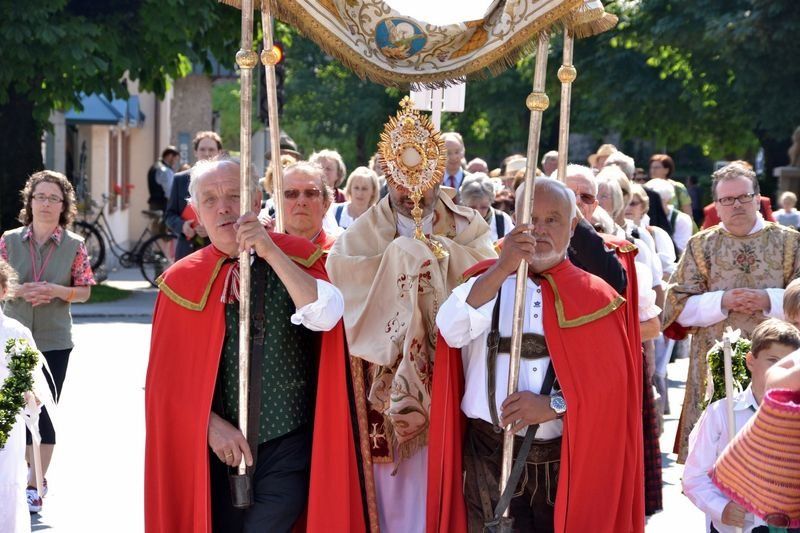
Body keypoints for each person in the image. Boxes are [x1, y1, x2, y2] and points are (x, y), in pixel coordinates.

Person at [144, 157, 357, 533]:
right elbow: (164, 385)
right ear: (197, 212)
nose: (223, 208)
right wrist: (209, 425)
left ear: (257, 201)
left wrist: (271, 251)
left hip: (287, 447)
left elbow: (327, 314)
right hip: (212, 456)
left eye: (234, 195)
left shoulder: (294, 254)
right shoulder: (180, 281)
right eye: (210, 200)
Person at [430, 177, 644, 533]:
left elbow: (612, 389)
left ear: (572, 227)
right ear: (515, 221)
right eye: (531, 219)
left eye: (552, 220)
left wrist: (554, 405)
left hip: (562, 461)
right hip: (488, 453)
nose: (540, 230)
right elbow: (451, 330)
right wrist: (502, 268)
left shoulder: (597, 297)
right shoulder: (485, 282)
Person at [325, 171, 496, 533]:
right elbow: (342, 272)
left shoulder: (466, 225)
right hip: (385, 374)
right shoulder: (365, 230)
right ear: (387, 179)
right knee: (391, 482)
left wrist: (440, 253)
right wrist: (400, 258)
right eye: (401, 181)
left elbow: (486, 272)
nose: (412, 192)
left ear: (438, 177)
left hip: (449, 367)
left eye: (423, 181)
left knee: (443, 468)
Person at [663, 161, 800, 461]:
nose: (736, 205)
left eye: (743, 197)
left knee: (777, 458)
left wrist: (768, 300)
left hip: (780, 363)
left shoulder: (790, 242)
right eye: (727, 199)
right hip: (714, 364)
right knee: (714, 458)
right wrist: (722, 301)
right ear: (717, 205)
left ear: (757, 198)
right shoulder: (700, 246)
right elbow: (676, 306)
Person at [0, 170, 95, 513]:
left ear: (63, 205)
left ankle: (35, 484)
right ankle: (14, 477)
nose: (46, 204)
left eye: (54, 198)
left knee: (43, 412)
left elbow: (84, 291)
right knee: (12, 410)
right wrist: (21, 290)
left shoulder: (75, 245)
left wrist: (56, 291)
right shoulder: (9, 240)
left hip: (54, 340)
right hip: (12, 336)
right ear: (29, 201)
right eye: (40, 196)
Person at [683, 319, 800, 533]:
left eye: (788, 365)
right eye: (772, 361)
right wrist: (721, 508)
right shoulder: (720, 412)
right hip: (738, 527)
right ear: (750, 361)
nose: (780, 371)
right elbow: (694, 476)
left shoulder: (795, 414)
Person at [0, 259, 54, 533]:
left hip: (6, 421)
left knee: (6, 481)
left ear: (3, 290)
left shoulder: (15, 332)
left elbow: (33, 382)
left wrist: (29, 395)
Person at [165, 131, 222, 261]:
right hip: (186, 251)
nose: (207, 153)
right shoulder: (180, 179)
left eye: (211, 149)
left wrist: (212, 229)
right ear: (196, 152)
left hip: (217, 252)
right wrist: (182, 226)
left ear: (219, 152)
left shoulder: (228, 180)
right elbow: (169, 215)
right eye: (202, 149)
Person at [460, 173, 514, 242]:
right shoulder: (456, 222)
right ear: (464, 204)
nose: (478, 212)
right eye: (472, 207)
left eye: (484, 207)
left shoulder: (503, 220)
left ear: (491, 201)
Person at [646, 178, 694, 253]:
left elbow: (681, 249)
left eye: (656, 199)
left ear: (667, 199)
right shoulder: (644, 217)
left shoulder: (681, 219)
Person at [147, 146, 180, 212]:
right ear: (170, 156)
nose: (175, 162)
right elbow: (170, 193)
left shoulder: (155, 166)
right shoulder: (165, 170)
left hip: (154, 205)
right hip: (163, 207)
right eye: (176, 159)